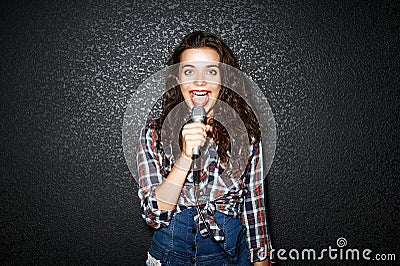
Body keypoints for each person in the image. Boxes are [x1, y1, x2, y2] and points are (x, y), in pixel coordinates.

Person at [137, 31, 272, 265]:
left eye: (211, 71)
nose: (199, 81)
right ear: (178, 80)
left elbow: (254, 207)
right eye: (189, 71)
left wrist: (261, 259)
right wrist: (186, 157)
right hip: (171, 258)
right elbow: (154, 215)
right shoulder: (153, 134)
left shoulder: (245, 137)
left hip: (228, 258)